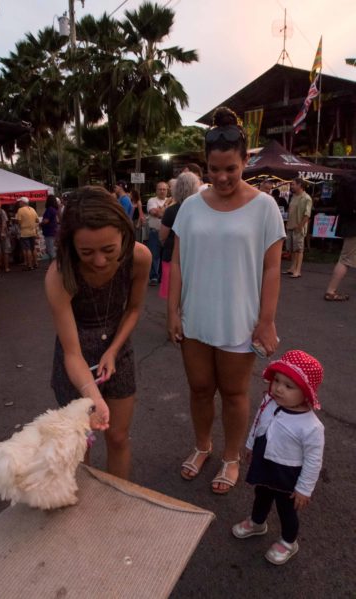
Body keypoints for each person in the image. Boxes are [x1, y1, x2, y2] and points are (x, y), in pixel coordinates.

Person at [168, 106, 285, 494]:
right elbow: (179, 261)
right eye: (214, 169)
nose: (221, 177)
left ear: (244, 161)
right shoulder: (190, 205)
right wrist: (173, 311)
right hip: (197, 316)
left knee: (234, 393)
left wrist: (266, 320)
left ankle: (231, 457)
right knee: (200, 389)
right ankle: (202, 446)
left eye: (230, 169)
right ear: (205, 164)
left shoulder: (265, 207)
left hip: (240, 317)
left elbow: (271, 269)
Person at [45, 186, 151, 480]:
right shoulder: (60, 274)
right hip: (75, 358)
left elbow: (133, 310)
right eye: (87, 252)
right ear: (71, 246)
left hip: (119, 350)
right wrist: (92, 396)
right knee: (82, 442)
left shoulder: (139, 258)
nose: (100, 261)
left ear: (124, 236)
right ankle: (86, 511)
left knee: (117, 437)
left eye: (109, 250)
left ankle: (118, 505)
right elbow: (71, 352)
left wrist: (113, 350)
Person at [232, 350, 324, 565]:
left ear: (306, 393)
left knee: (286, 508)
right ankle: (257, 522)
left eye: (289, 386)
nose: (278, 388)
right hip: (265, 462)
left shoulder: (311, 427)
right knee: (261, 494)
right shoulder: (269, 402)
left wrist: (304, 489)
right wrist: (251, 445)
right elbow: (258, 423)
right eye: (277, 381)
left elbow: (313, 460)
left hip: (288, 473)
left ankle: (288, 541)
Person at [158, 171, 200, 300]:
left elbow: (163, 236)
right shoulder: (202, 209)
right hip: (195, 258)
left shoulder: (171, 210)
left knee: (173, 297)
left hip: (171, 256)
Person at [324, 176, 356, 301]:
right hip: (353, 225)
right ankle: (331, 291)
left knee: (346, 257)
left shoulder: (347, 180)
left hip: (348, 223)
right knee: (345, 259)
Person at [283, 178, 312, 278]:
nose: (291, 186)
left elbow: (307, 215)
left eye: (293, 184)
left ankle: (298, 270)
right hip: (291, 226)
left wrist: (300, 226)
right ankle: (292, 268)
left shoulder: (307, 198)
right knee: (292, 249)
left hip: (298, 228)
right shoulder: (293, 196)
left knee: (299, 250)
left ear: (300, 185)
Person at [147, 181, 169, 285]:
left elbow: (160, 213)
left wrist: (161, 211)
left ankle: (162, 277)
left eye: (164, 189)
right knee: (154, 255)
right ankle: (154, 277)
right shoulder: (152, 200)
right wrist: (165, 211)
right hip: (154, 232)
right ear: (156, 190)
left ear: (167, 190)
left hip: (167, 233)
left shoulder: (171, 201)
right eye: (160, 189)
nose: (162, 191)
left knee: (165, 256)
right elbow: (154, 213)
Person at [16, 196, 39, 270]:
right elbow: (37, 220)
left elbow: (19, 222)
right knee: (33, 248)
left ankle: (29, 265)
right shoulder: (32, 209)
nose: (19, 203)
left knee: (27, 249)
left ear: (23, 202)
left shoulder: (20, 210)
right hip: (33, 231)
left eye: (20, 202)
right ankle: (36, 263)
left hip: (24, 232)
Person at [41, 195, 59, 262]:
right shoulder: (55, 209)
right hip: (54, 230)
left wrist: (40, 224)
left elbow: (46, 220)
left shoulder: (49, 209)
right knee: (53, 249)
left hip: (49, 232)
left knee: (50, 250)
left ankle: (55, 266)